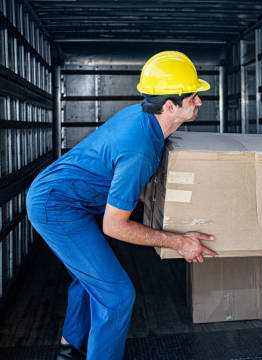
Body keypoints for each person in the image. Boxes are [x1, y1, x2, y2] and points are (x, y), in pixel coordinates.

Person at [26, 51, 217, 360]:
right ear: (170, 105)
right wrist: (179, 241)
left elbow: (127, 184)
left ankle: (69, 348)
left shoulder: (145, 120)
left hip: (72, 199)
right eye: (194, 96)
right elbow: (114, 226)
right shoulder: (139, 148)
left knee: (90, 276)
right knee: (116, 295)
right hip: (57, 207)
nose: (199, 102)